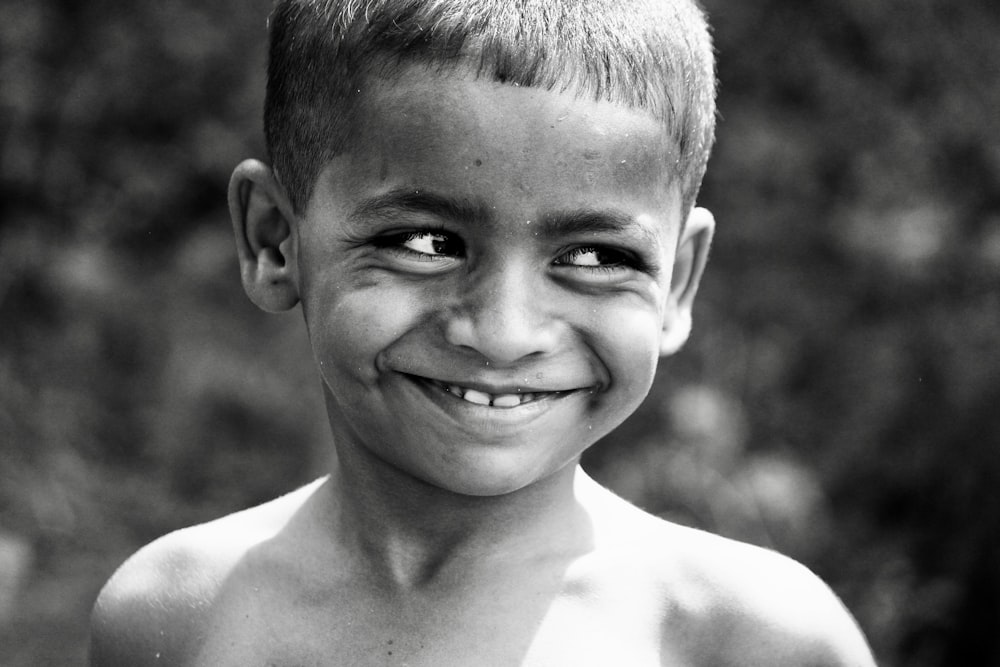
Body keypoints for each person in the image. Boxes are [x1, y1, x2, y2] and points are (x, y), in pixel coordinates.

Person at [89, 0, 877, 665]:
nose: (503, 333)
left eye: (596, 255)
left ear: (675, 281)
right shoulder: (176, 616)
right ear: (274, 240)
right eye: (426, 243)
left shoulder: (746, 640)